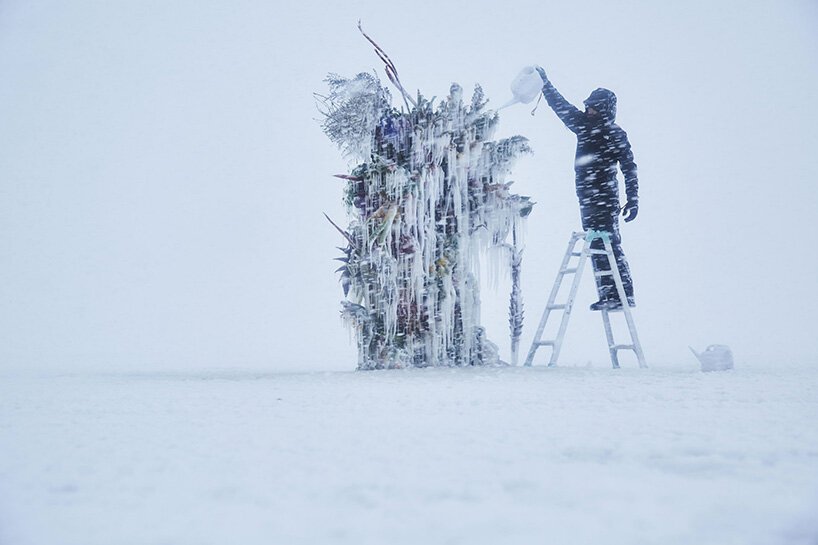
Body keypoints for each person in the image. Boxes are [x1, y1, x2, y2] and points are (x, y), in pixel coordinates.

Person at [535, 66, 639, 311]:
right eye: (588, 106)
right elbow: (561, 107)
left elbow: (629, 167)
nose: (588, 110)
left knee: (610, 244)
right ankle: (607, 294)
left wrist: (633, 199)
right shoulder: (583, 125)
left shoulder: (614, 134)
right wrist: (545, 84)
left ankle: (623, 294)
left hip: (605, 197)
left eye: (593, 107)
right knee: (596, 246)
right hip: (587, 198)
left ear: (604, 109)